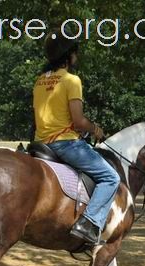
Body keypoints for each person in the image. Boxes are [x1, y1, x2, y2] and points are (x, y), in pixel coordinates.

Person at [33, 32, 120, 245]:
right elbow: (79, 121)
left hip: (41, 144)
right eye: (75, 53)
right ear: (69, 56)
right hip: (66, 144)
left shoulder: (39, 81)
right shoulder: (72, 80)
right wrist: (96, 129)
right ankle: (87, 222)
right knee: (111, 178)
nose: (76, 57)